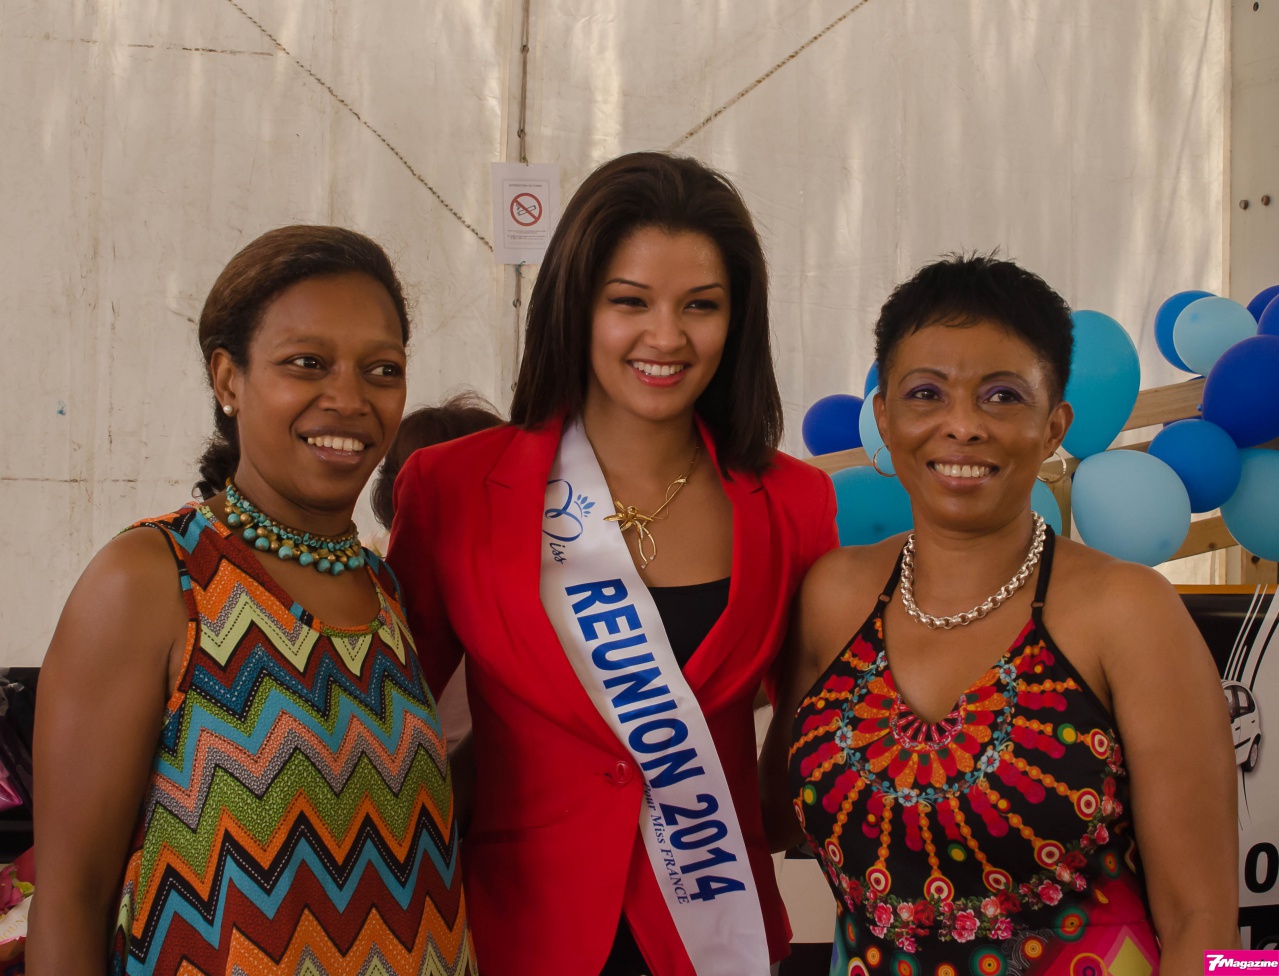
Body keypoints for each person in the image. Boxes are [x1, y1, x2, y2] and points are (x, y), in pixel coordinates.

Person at [388, 152, 838, 976]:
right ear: (575, 304)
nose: (665, 337)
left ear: (738, 320)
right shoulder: (450, 487)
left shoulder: (795, 502)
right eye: (628, 302)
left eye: (700, 306)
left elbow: (814, 738)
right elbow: (389, 719)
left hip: (715, 936)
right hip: (518, 934)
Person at [761, 254, 1239, 976]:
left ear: (1054, 426)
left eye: (1002, 397)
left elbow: (1205, 924)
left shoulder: (1127, 611)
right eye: (926, 393)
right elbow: (765, 818)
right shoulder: (832, 596)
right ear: (884, 420)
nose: (962, 426)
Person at [28, 226, 477, 976]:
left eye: (381, 369)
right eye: (307, 363)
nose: (349, 398)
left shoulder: (383, 591)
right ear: (228, 379)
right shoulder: (154, 579)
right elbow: (71, 897)